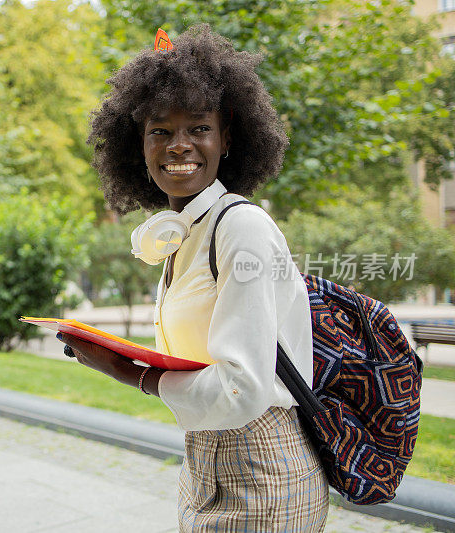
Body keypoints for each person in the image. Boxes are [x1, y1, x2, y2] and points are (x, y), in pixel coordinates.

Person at [57, 25, 328, 531]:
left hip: (263, 469)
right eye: (160, 130)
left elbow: (240, 389)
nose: (179, 145)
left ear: (227, 138)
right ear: (138, 145)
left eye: (198, 128)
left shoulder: (240, 226)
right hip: (205, 460)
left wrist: (125, 371)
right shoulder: (185, 234)